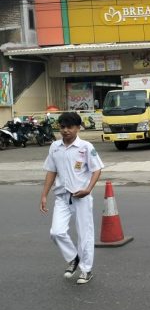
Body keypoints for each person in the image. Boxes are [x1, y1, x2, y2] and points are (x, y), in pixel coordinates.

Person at [40, 112, 104, 285]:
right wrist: (44, 195)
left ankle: (86, 270)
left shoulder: (86, 147)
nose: (66, 130)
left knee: (85, 234)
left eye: (70, 127)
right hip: (62, 196)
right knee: (56, 232)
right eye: (62, 127)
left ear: (78, 128)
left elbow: (96, 169)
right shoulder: (55, 147)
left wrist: (88, 189)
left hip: (82, 197)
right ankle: (73, 258)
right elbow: (51, 171)